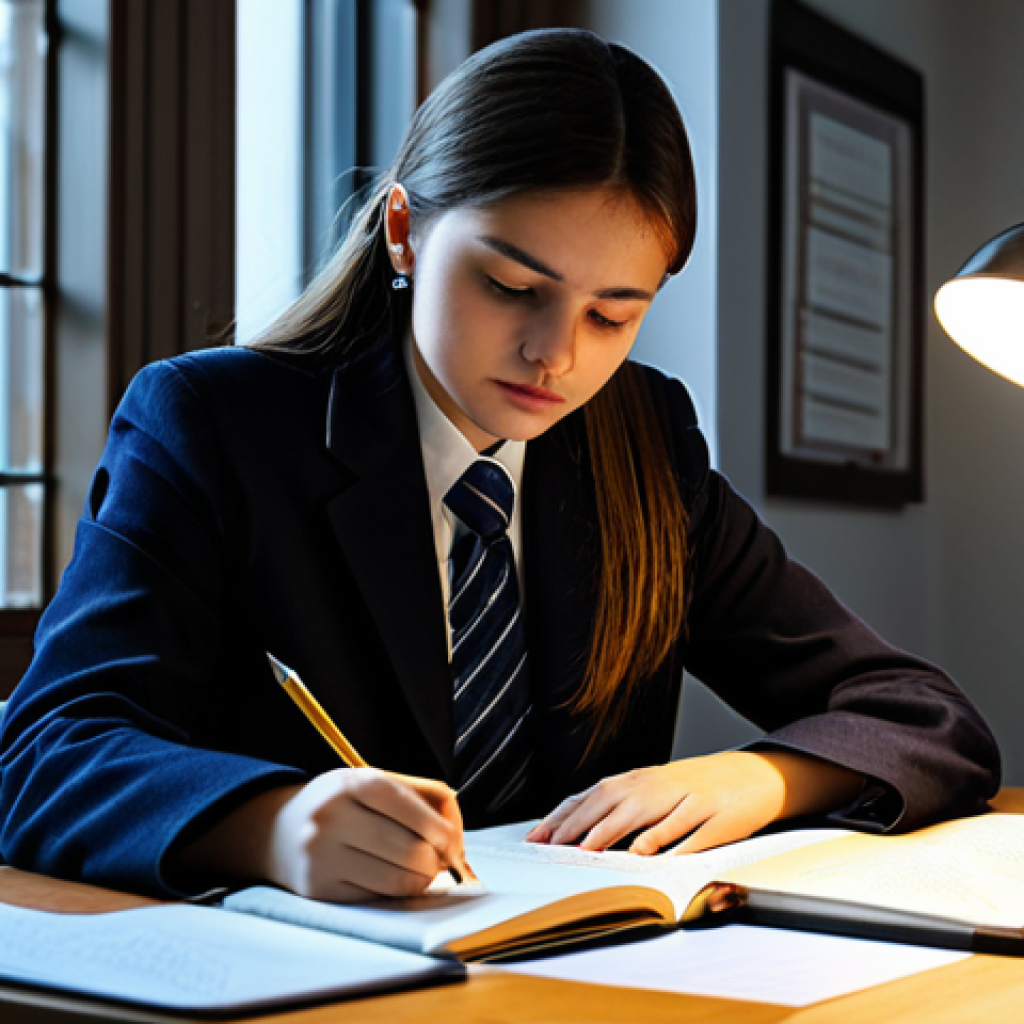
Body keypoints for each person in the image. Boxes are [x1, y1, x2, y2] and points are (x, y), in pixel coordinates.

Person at [0, 29, 999, 903]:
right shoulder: (213, 423)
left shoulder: (644, 439)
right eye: (512, 285)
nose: (555, 354)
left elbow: (923, 717)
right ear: (403, 232)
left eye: (615, 312)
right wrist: (269, 826)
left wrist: (759, 778)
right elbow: (45, 754)